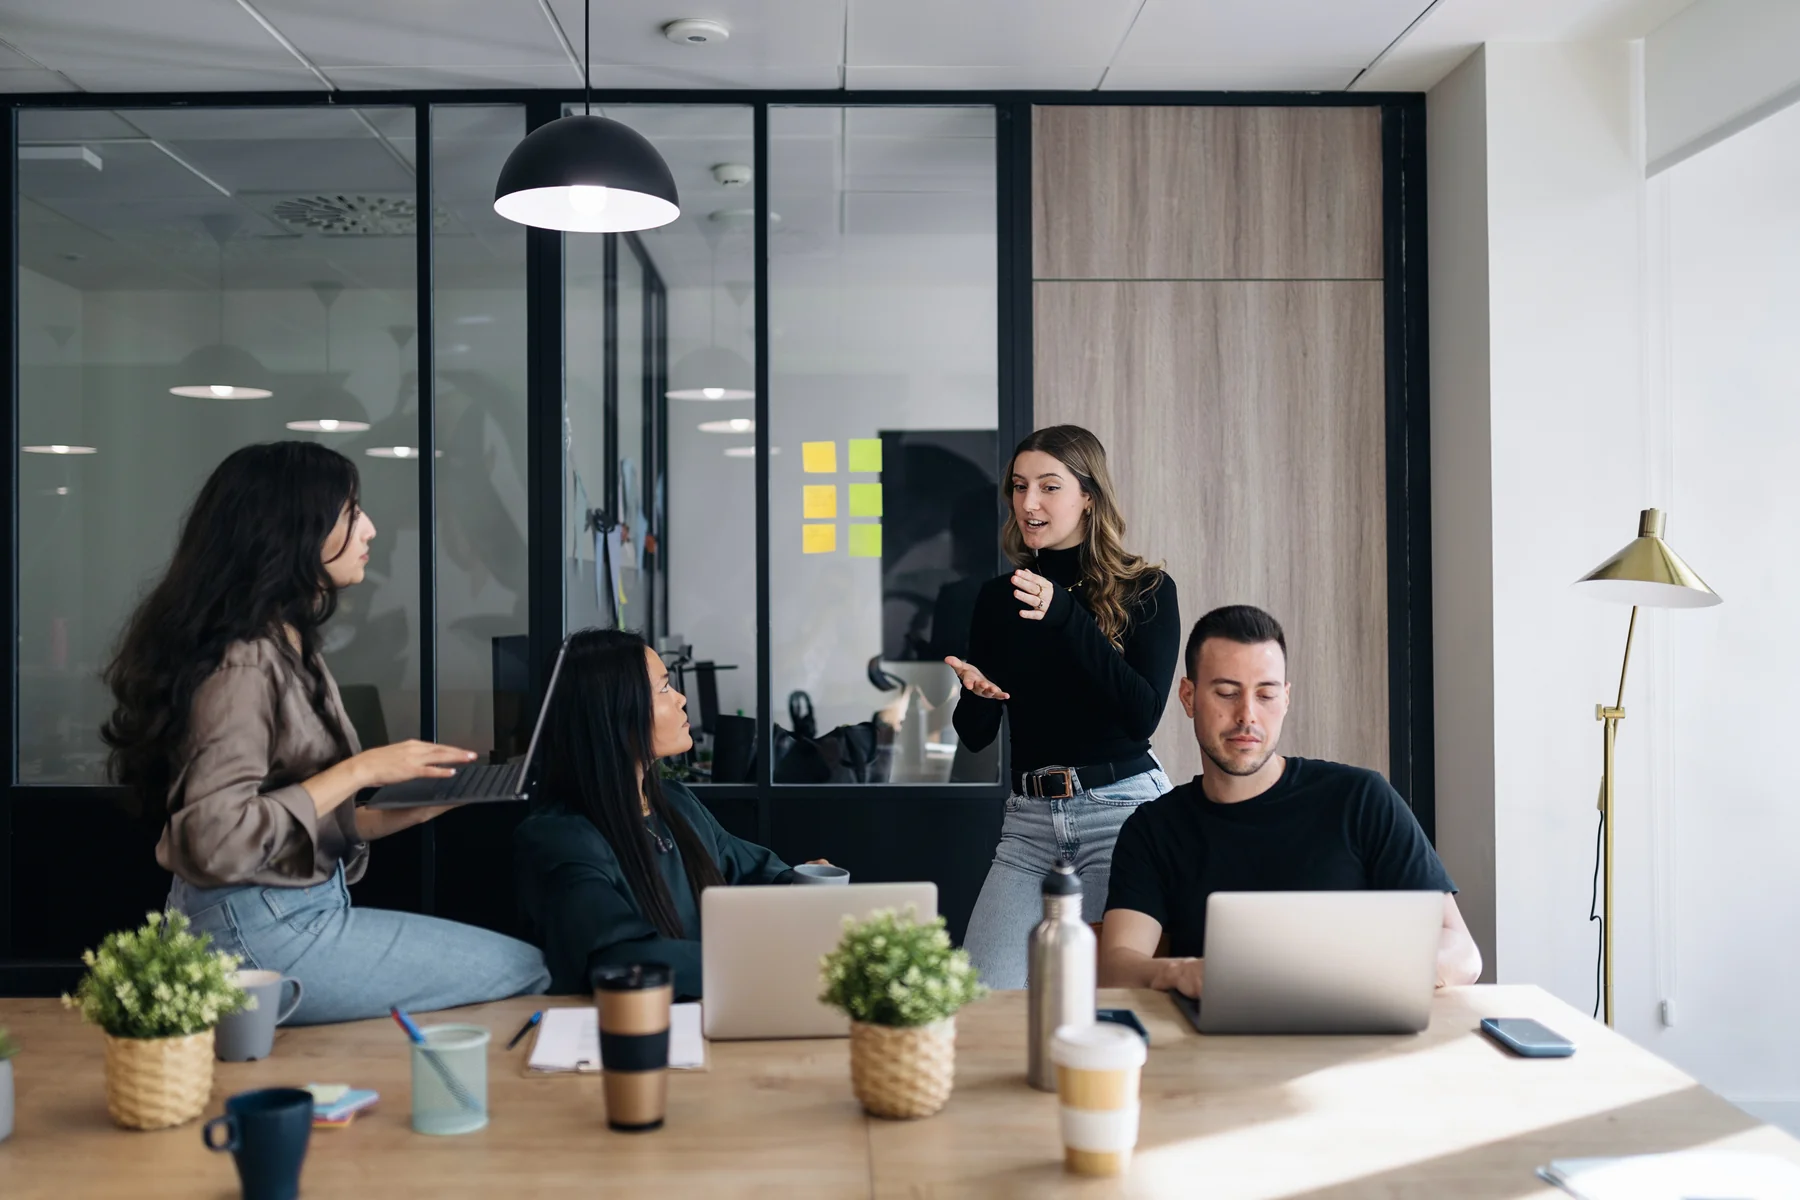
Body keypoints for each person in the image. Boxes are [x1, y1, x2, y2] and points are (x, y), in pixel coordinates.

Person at [104, 442, 550, 1025]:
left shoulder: (288, 645)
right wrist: (362, 770)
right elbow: (216, 838)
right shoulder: (244, 662)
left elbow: (287, 821)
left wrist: (407, 809)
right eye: (350, 512)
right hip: (254, 934)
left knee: (505, 971)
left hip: (279, 916)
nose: (369, 528)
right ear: (294, 531)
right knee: (527, 970)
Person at [1098, 605, 1483, 996]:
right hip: (1217, 1033)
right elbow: (1117, 967)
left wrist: (1351, 979)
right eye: (1227, 693)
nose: (1247, 715)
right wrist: (1180, 972)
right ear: (1188, 696)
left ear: (1285, 699)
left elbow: (1461, 952)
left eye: (1266, 695)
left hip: (1353, 1022)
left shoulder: (1361, 799)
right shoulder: (1154, 829)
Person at [947, 425, 1180, 988]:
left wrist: (1067, 618)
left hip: (1121, 814)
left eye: (1049, 487)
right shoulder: (998, 598)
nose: (1029, 503)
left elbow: (1143, 715)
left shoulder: (1147, 589)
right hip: (1029, 824)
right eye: (1019, 486)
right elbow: (975, 736)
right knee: (982, 996)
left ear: (1088, 496)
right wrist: (977, 695)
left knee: (1105, 999)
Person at [515, 629, 822, 1000]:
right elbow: (621, 957)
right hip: (628, 1025)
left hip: (708, 1009)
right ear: (613, 711)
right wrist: (763, 964)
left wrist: (805, 884)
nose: (680, 698)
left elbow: (750, 869)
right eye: (663, 688)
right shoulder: (560, 837)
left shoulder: (675, 802)